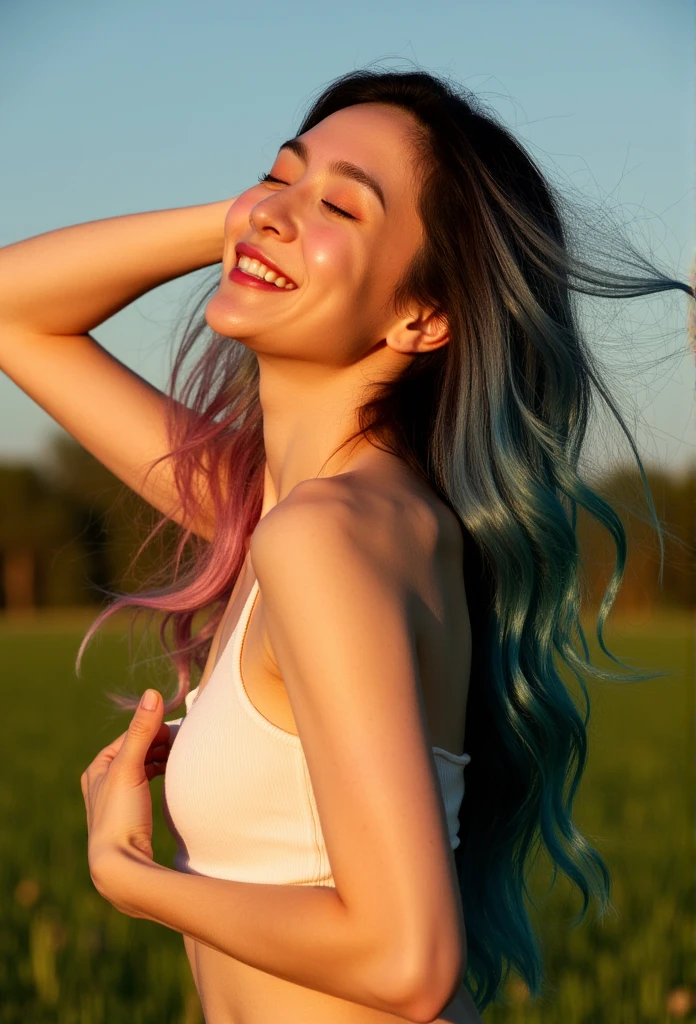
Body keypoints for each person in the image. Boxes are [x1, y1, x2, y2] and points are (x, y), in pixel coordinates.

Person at [0, 67, 692, 1023]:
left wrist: (128, 875)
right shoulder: (294, 512)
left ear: (422, 315)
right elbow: (11, 309)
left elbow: (408, 963)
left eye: (343, 206)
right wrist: (261, 217)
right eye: (280, 174)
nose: (278, 211)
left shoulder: (324, 537)